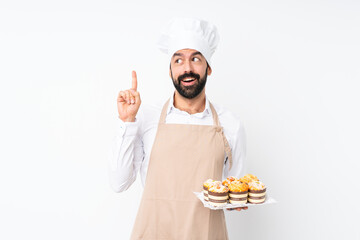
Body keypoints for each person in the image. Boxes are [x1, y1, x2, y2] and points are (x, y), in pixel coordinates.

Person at [109, 17, 247, 239]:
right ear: (170, 70)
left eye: (196, 58)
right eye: (179, 60)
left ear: (208, 67)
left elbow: (234, 192)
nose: (188, 69)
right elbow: (119, 183)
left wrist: (237, 201)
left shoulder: (230, 124)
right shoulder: (145, 117)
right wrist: (126, 122)